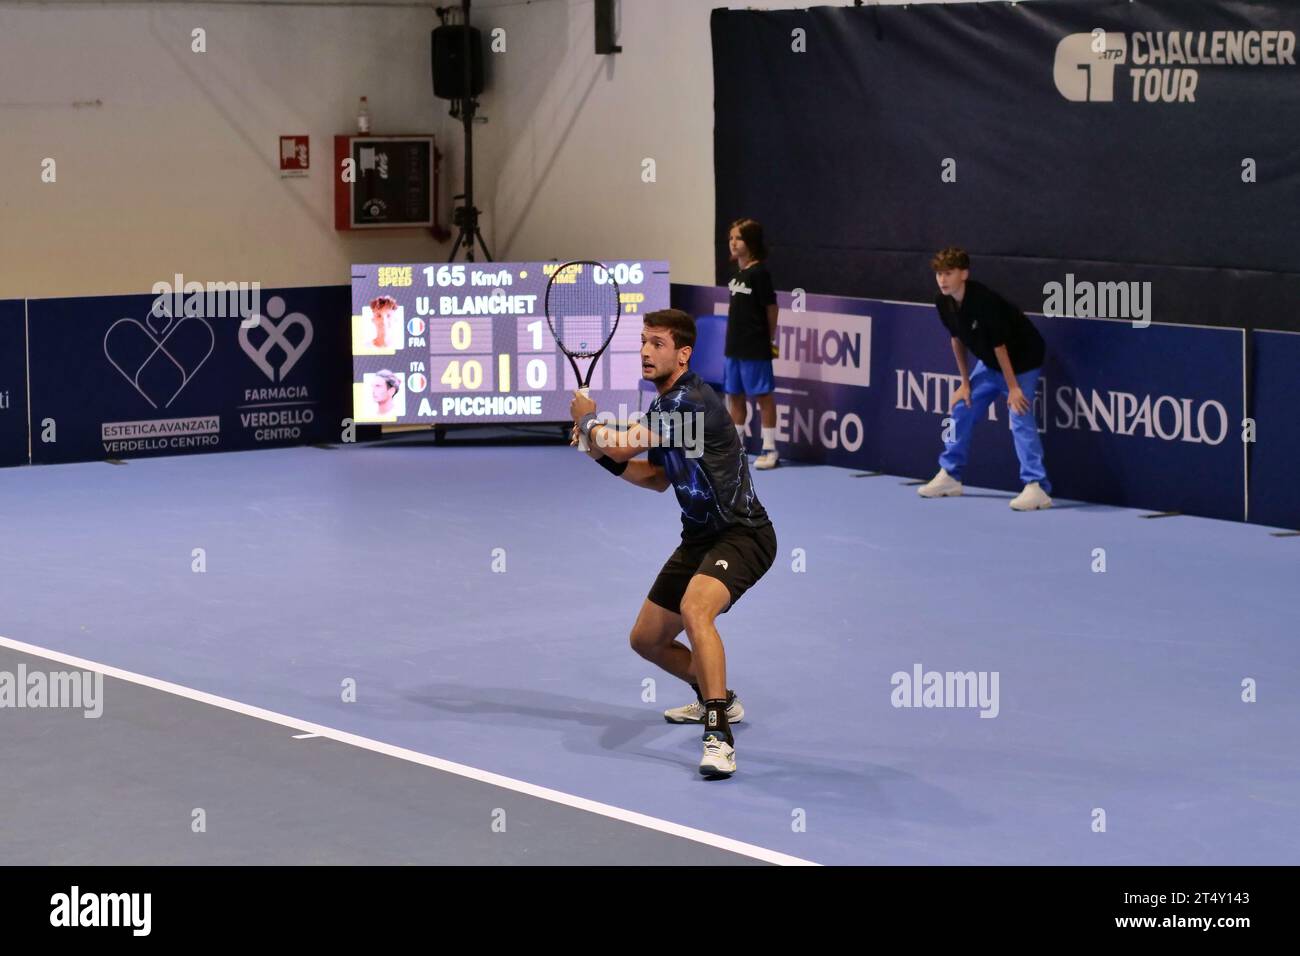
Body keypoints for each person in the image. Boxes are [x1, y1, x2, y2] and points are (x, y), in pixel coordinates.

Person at [570, 309, 777, 777]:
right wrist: (595, 453)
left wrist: (588, 424)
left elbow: (622, 446)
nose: (645, 351)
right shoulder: (666, 408)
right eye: (643, 342)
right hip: (700, 538)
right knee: (646, 639)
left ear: (683, 354)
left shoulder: (687, 402)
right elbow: (658, 478)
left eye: (657, 343)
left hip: (743, 535)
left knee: (694, 609)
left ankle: (719, 734)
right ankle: (717, 696)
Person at [918, 248, 1052, 511]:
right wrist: (965, 384)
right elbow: (957, 339)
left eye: (949, 273)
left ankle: (1037, 487)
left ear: (964, 274)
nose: (943, 280)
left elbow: (1000, 346)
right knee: (961, 408)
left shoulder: (984, 301)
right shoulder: (942, 301)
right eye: (939, 274)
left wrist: (1013, 388)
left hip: (1022, 360)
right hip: (990, 363)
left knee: (1019, 413)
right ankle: (950, 476)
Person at [724, 218, 780, 469]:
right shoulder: (738, 273)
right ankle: (737, 448)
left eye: (738, 238)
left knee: (763, 397)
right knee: (735, 396)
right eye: (731, 238)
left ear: (751, 243)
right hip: (733, 347)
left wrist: (768, 339)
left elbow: (771, 308)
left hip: (755, 347)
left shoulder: (760, 273)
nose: (733, 243)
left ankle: (770, 449)